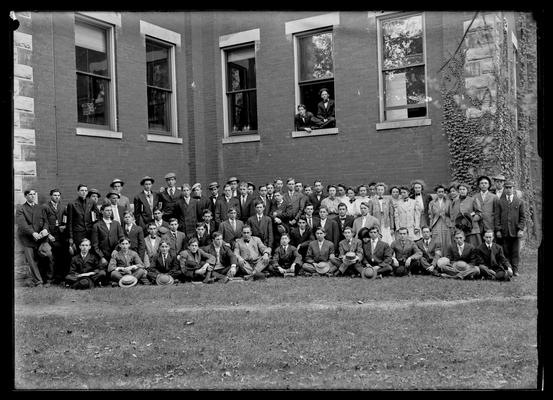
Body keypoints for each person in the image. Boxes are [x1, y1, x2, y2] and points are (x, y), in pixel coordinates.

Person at [16, 188, 54, 287]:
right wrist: (33, 233)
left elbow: (46, 221)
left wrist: (45, 229)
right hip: (27, 239)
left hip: (41, 238)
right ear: (25, 196)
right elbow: (22, 224)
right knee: (31, 261)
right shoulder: (21, 208)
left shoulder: (40, 207)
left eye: (34, 194)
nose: (32, 196)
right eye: (30, 194)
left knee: (48, 255)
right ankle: (38, 281)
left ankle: (48, 279)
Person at [495, 181, 526, 276]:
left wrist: (520, 229)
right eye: (507, 188)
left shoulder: (519, 201)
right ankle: (508, 269)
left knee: (515, 251)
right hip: (504, 231)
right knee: (505, 251)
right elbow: (497, 217)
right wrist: (498, 230)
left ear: (513, 188)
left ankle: (515, 269)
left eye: (510, 188)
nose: (508, 190)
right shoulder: (500, 201)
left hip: (515, 231)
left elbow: (522, 217)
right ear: (504, 189)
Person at [44, 188, 69, 284]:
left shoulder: (63, 207)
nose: (57, 197)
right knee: (51, 258)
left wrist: (64, 226)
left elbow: (65, 219)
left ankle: (60, 278)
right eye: (55, 195)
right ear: (51, 196)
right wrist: (48, 235)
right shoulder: (45, 207)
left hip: (60, 237)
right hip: (50, 236)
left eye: (58, 195)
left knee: (61, 258)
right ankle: (49, 279)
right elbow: (43, 222)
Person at [91, 203, 124, 268]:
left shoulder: (116, 223)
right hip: (103, 255)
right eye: (107, 210)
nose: (109, 212)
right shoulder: (96, 225)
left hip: (116, 254)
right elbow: (95, 244)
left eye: (110, 210)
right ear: (102, 211)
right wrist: (101, 257)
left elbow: (121, 238)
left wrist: (116, 249)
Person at [450, 183, 482, 248]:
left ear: (467, 190)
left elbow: (479, 213)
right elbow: (453, 216)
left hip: (471, 230)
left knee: (472, 248)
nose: (462, 191)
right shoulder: (455, 202)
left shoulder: (473, 200)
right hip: (459, 231)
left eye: (464, 189)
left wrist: (470, 220)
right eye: (460, 189)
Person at [66, 184, 94, 251]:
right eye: (82, 190)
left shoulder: (91, 202)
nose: (84, 192)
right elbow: (69, 222)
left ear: (87, 192)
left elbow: (95, 218)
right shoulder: (72, 204)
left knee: (90, 252)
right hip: (78, 233)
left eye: (85, 190)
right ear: (78, 192)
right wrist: (71, 237)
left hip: (90, 232)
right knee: (79, 252)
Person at [427, 184, 452, 251]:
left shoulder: (449, 202)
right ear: (436, 193)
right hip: (436, 222)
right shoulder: (432, 203)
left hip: (446, 222)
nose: (441, 193)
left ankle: (447, 256)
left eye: (442, 192)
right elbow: (431, 215)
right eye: (439, 192)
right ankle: (437, 257)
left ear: (444, 192)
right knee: (437, 241)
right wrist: (430, 226)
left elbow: (451, 214)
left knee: (447, 241)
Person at [474, 175, 499, 241]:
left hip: (490, 225)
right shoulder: (474, 197)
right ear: (479, 185)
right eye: (482, 183)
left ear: (489, 185)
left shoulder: (494, 197)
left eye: (485, 183)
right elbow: (473, 210)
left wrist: (497, 227)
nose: (483, 185)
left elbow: (497, 213)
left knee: (491, 244)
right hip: (478, 225)